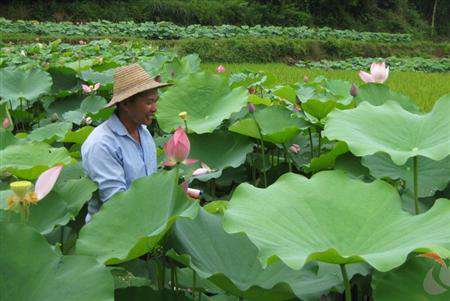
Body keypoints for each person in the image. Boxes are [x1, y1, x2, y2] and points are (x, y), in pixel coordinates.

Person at [81, 63, 170, 222]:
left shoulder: (144, 133)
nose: (155, 108)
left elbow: (150, 187)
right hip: (112, 233)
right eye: (149, 102)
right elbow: (117, 205)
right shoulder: (101, 144)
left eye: (155, 101)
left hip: (146, 222)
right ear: (126, 104)